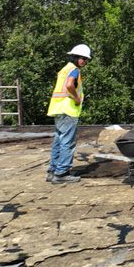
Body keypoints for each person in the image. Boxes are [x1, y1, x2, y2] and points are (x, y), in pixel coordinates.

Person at [47, 44, 92, 183]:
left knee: (59, 141)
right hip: (68, 110)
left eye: (86, 59)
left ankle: (52, 171)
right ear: (75, 57)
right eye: (82, 58)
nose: (84, 61)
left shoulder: (64, 69)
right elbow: (69, 85)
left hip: (58, 109)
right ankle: (61, 173)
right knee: (68, 142)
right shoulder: (74, 70)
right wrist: (77, 98)